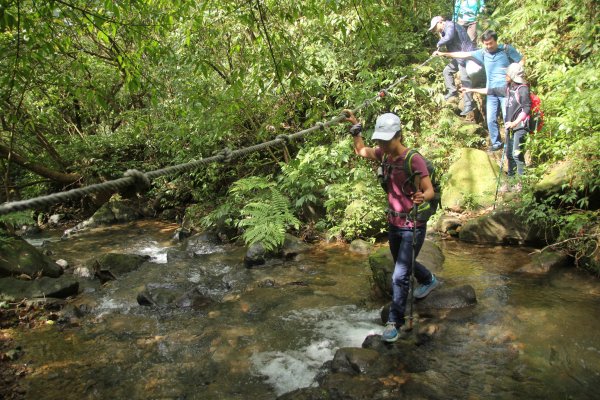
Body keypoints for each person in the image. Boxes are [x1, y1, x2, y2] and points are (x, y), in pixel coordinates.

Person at [344, 110, 440, 343]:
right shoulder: (384, 154)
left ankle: (394, 322)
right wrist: (356, 127)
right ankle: (428, 279)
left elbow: (429, 191)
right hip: (394, 221)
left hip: (412, 223)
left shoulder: (413, 159)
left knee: (399, 275)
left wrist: (421, 198)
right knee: (401, 263)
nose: (382, 145)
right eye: (380, 141)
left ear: (398, 136)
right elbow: (361, 151)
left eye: (386, 141)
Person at [434, 30, 524, 152]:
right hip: (490, 90)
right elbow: (464, 54)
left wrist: (516, 75)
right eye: (486, 44)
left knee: (507, 117)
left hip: (506, 90)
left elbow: (520, 60)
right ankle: (497, 143)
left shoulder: (506, 49)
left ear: (496, 41)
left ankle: (510, 143)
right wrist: (444, 54)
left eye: (491, 43)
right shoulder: (483, 53)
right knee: (491, 119)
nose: (489, 46)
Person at [462, 63, 531, 178]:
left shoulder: (523, 89)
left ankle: (521, 183)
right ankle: (511, 179)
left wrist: (515, 123)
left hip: (520, 126)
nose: (505, 75)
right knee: (509, 154)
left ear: (513, 75)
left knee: (516, 155)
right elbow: (491, 91)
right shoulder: (508, 88)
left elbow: (526, 108)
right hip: (510, 126)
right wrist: (471, 89)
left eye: (507, 73)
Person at [428, 16, 479, 116]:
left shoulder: (450, 25)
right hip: (458, 57)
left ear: (440, 22)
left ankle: (469, 105)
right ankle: (452, 91)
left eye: (435, 27)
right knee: (447, 71)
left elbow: (449, 37)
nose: (434, 30)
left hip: (465, 56)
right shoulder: (444, 30)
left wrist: (439, 44)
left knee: (465, 80)